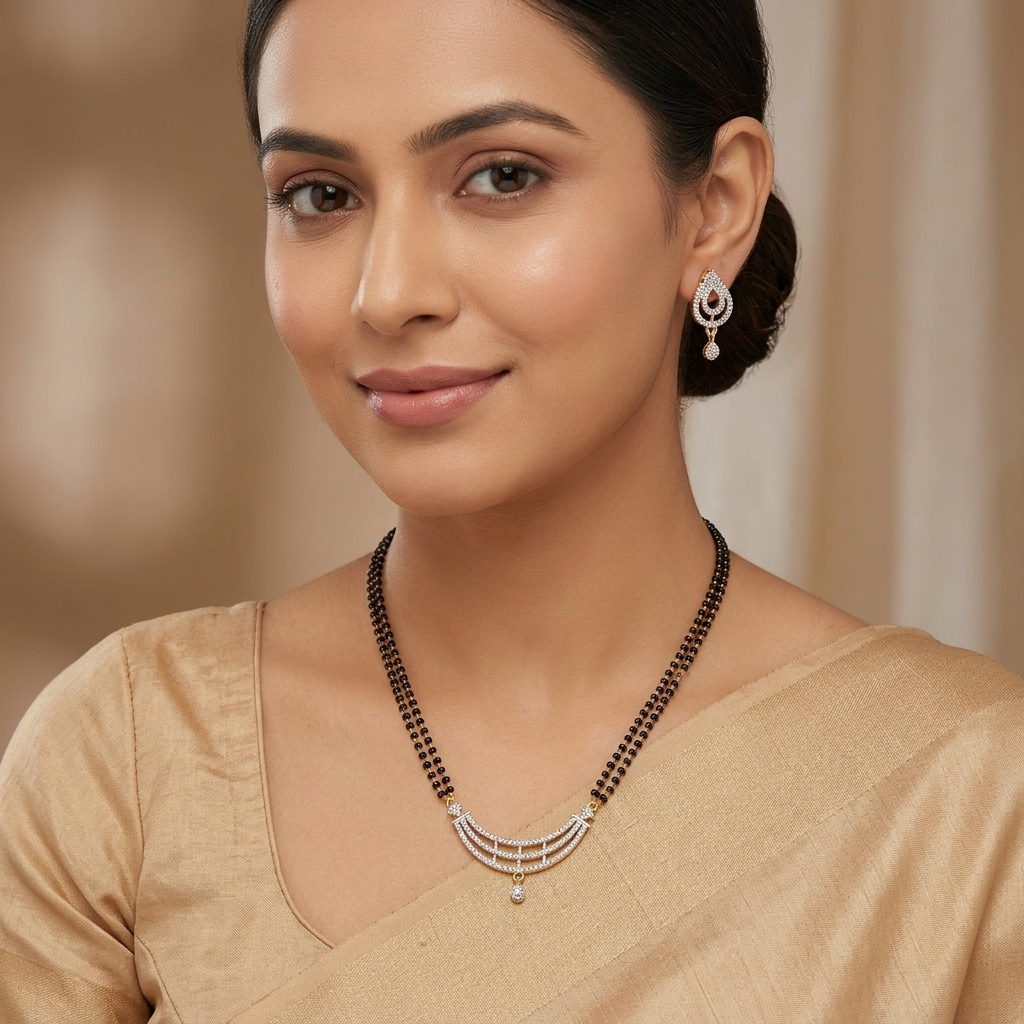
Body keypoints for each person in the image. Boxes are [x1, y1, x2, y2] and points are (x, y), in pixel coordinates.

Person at [1, 0, 1021, 1020]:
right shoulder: (132, 758)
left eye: (502, 176)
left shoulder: (967, 799)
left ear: (715, 205)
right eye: (320, 194)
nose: (388, 291)